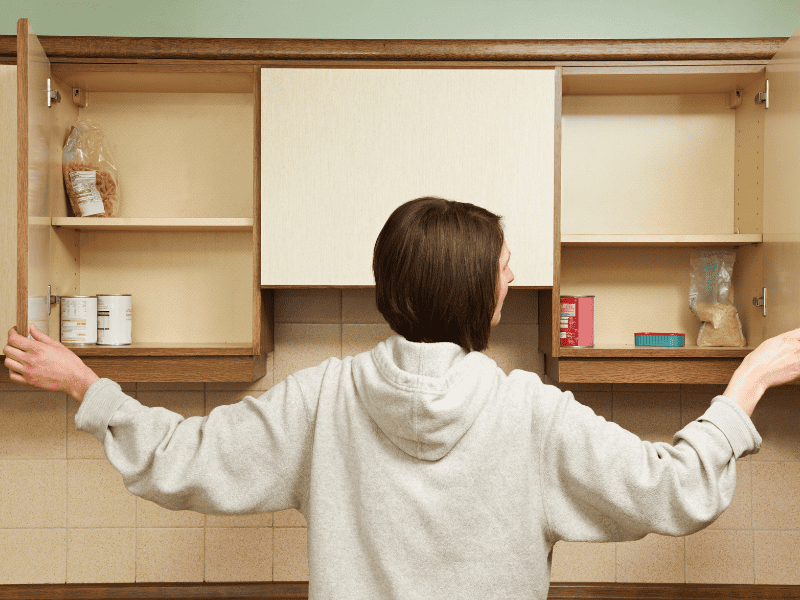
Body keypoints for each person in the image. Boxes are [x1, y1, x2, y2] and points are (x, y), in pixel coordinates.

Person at [4, 196, 800, 600]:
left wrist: (87, 385)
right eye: (502, 268)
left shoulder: (323, 399)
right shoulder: (530, 411)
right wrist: (750, 376)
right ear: (470, 291)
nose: (512, 278)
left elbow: (185, 458)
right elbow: (675, 487)